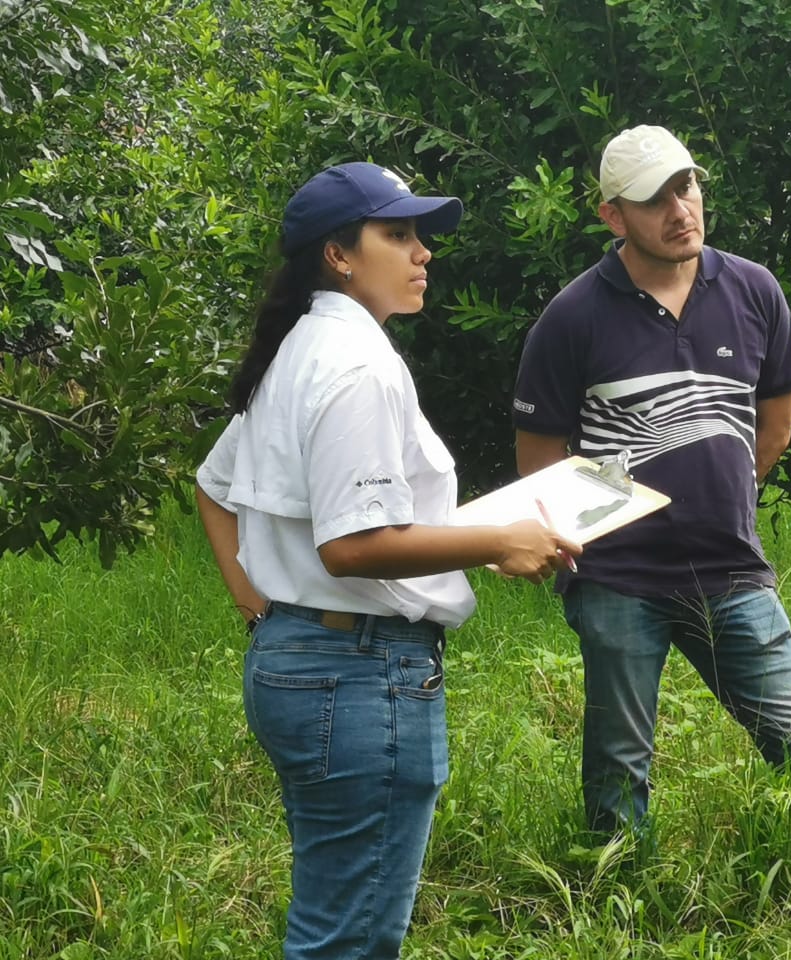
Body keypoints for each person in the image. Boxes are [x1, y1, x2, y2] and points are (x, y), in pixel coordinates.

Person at [195, 161, 580, 960]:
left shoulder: (300, 349)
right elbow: (351, 545)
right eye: (397, 234)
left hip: (301, 664)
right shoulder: (358, 367)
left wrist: (264, 608)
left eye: (420, 236)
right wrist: (499, 542)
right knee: (351, 939)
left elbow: (213, 486)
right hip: (360, 676)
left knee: (332, 915)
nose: (422, 253)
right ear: (339, 254)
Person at [511, 125, 791, 838]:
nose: (679, 210)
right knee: (617, 764)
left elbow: (776, 427)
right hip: (617, 576)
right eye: (654, 199)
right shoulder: (572, 316)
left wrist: (715, 504)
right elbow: (539, 457)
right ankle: (615, 901)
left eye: (686, 187)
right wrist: (583, 540)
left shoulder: (754, 291)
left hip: (732, 570)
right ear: (612, 215)